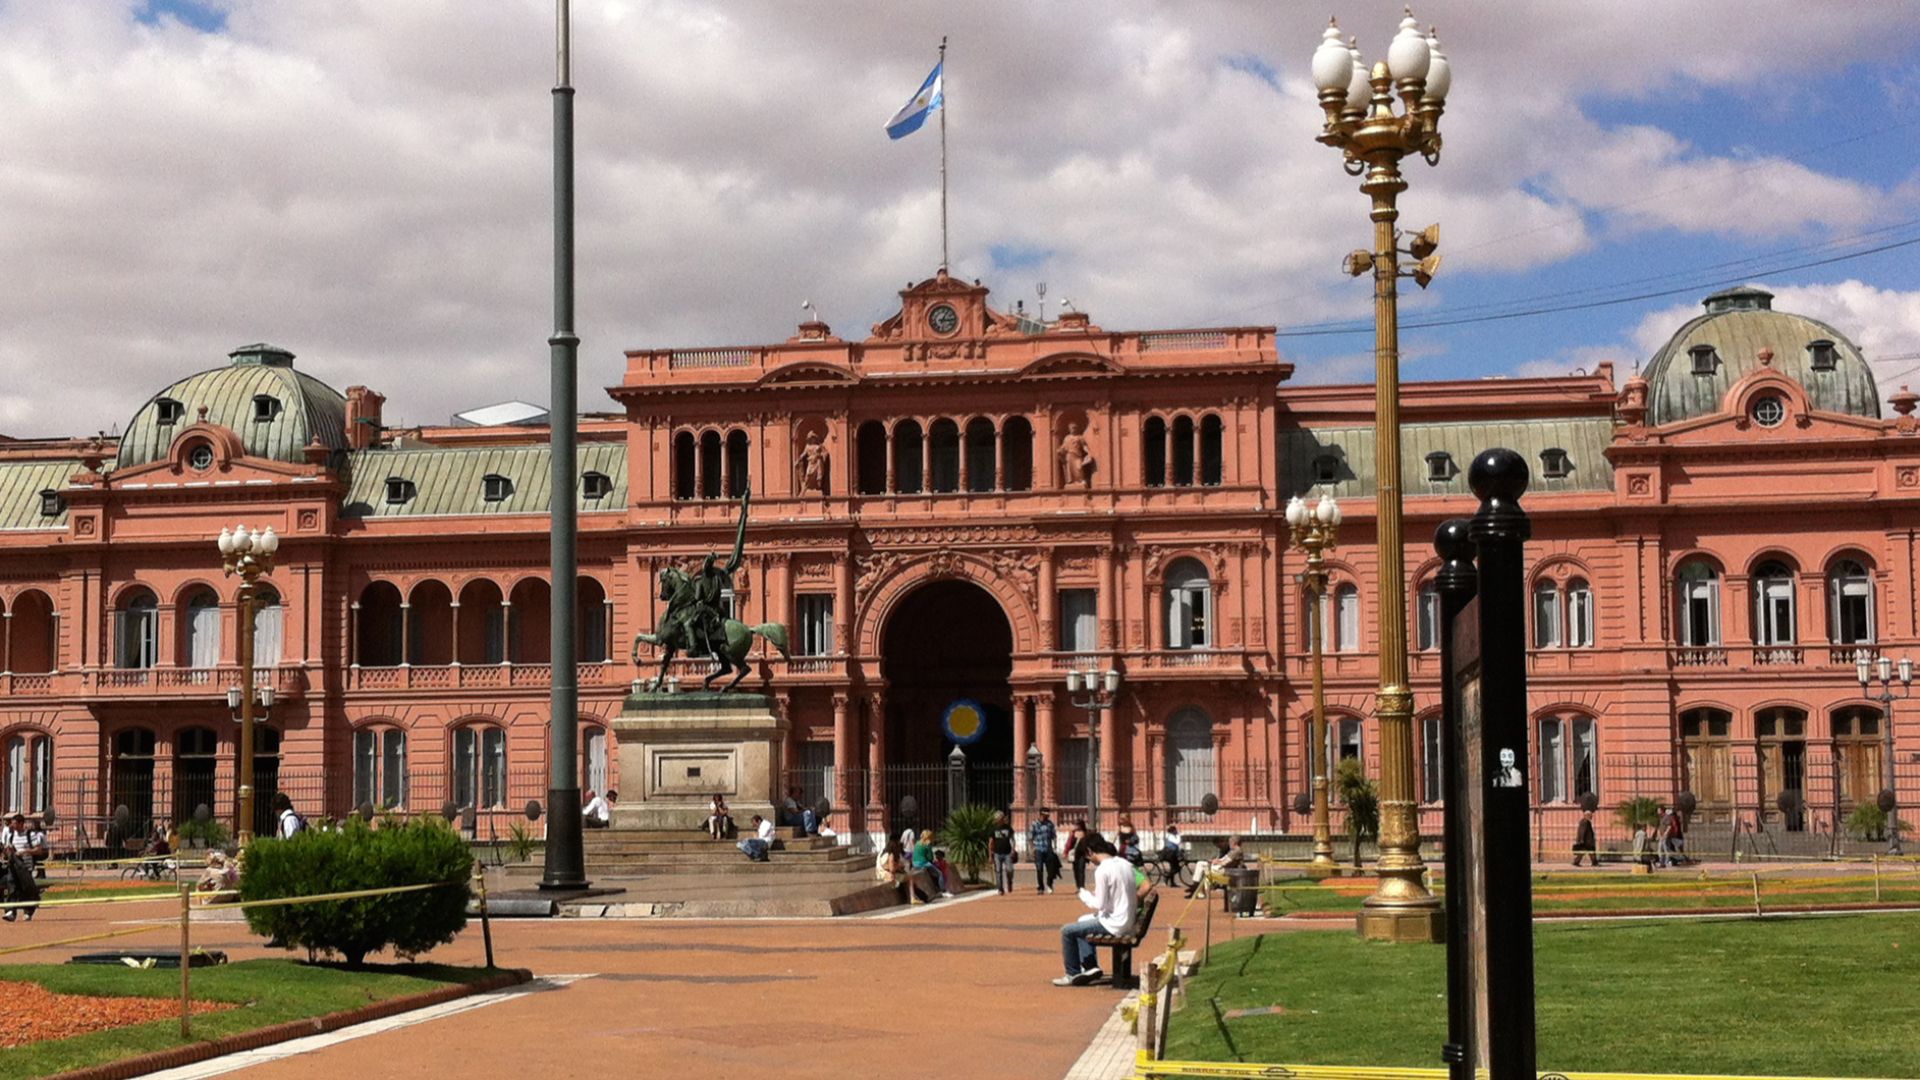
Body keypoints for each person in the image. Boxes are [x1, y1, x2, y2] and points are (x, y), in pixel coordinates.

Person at [1053, 835, 1136, 987]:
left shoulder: (1102, 870)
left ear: (1090, 852)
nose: (1090, 862)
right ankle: (1091, 967)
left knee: (1067, 931)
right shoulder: (1125, 864)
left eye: (1087, 858)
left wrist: (1084, 896)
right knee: (1083, 921)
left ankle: (1072, 973)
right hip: (1127, 920)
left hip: (1114, 924)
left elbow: (1100, 904)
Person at [1028, 808, 1059, 894]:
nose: (1047, 817)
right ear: (1041, 814)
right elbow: (1030, 837)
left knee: (1051, 869)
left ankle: (1049, 883)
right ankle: (1040, 887)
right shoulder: (1034, 824)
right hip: (1038, 848)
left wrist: (1055, 846)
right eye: (1045, 815)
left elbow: (1054, 835)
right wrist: (1032, 848)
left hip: (1048, 848)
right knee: (1039, 868)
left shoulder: (1050, 824)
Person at [912, 829, 952, 897]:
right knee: (940, 874)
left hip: (914, 863)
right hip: (923, 863)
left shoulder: (917, 843)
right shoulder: (927, 844)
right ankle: (943, 891)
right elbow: (930, 858)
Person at [990, 810, 1017, 895]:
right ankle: (1000, 889)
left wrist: (1013, 849)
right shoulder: (994, 829)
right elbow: (991, 842)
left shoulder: (1008, 828)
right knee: (998, 871)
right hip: (997, 853)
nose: (999, 820)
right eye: (998, 819)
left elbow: (1013, 839)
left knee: (1009, 870)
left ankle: (1009, 882)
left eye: (1000, 818)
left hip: (1007, 852)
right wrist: (990, 855)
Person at [1067, 821, 1091, 891]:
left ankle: (1081, 886)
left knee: (1081, 870)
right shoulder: (1073, 833)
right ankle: (1078, 886)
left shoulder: (1086, 833)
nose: (1076, 826)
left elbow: (1089, 843)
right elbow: (1069, 843)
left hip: (1082, 854)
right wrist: (1066, 852)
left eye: (1077, 825)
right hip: (1075, 854)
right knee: (1076, 870)